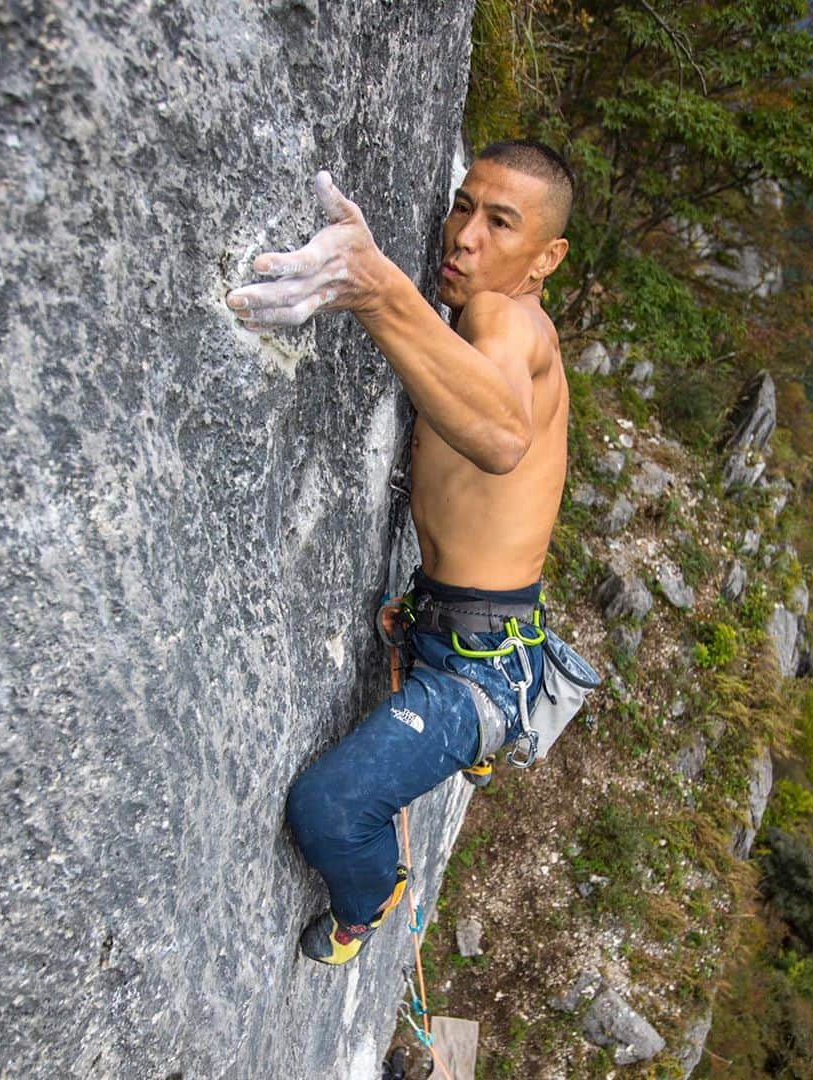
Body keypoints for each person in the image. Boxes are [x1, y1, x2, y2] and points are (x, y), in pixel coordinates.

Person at [227, 140, 575, 964]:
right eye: (462, 207)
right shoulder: (477, 321)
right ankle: (471, 743)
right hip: (454, 622)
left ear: (546, 257)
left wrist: (377, 287)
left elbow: (498, 434)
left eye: (500, 223)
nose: (464, 238)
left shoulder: (506, 318)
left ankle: (369, 897)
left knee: (330, 809)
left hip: (480, 666)